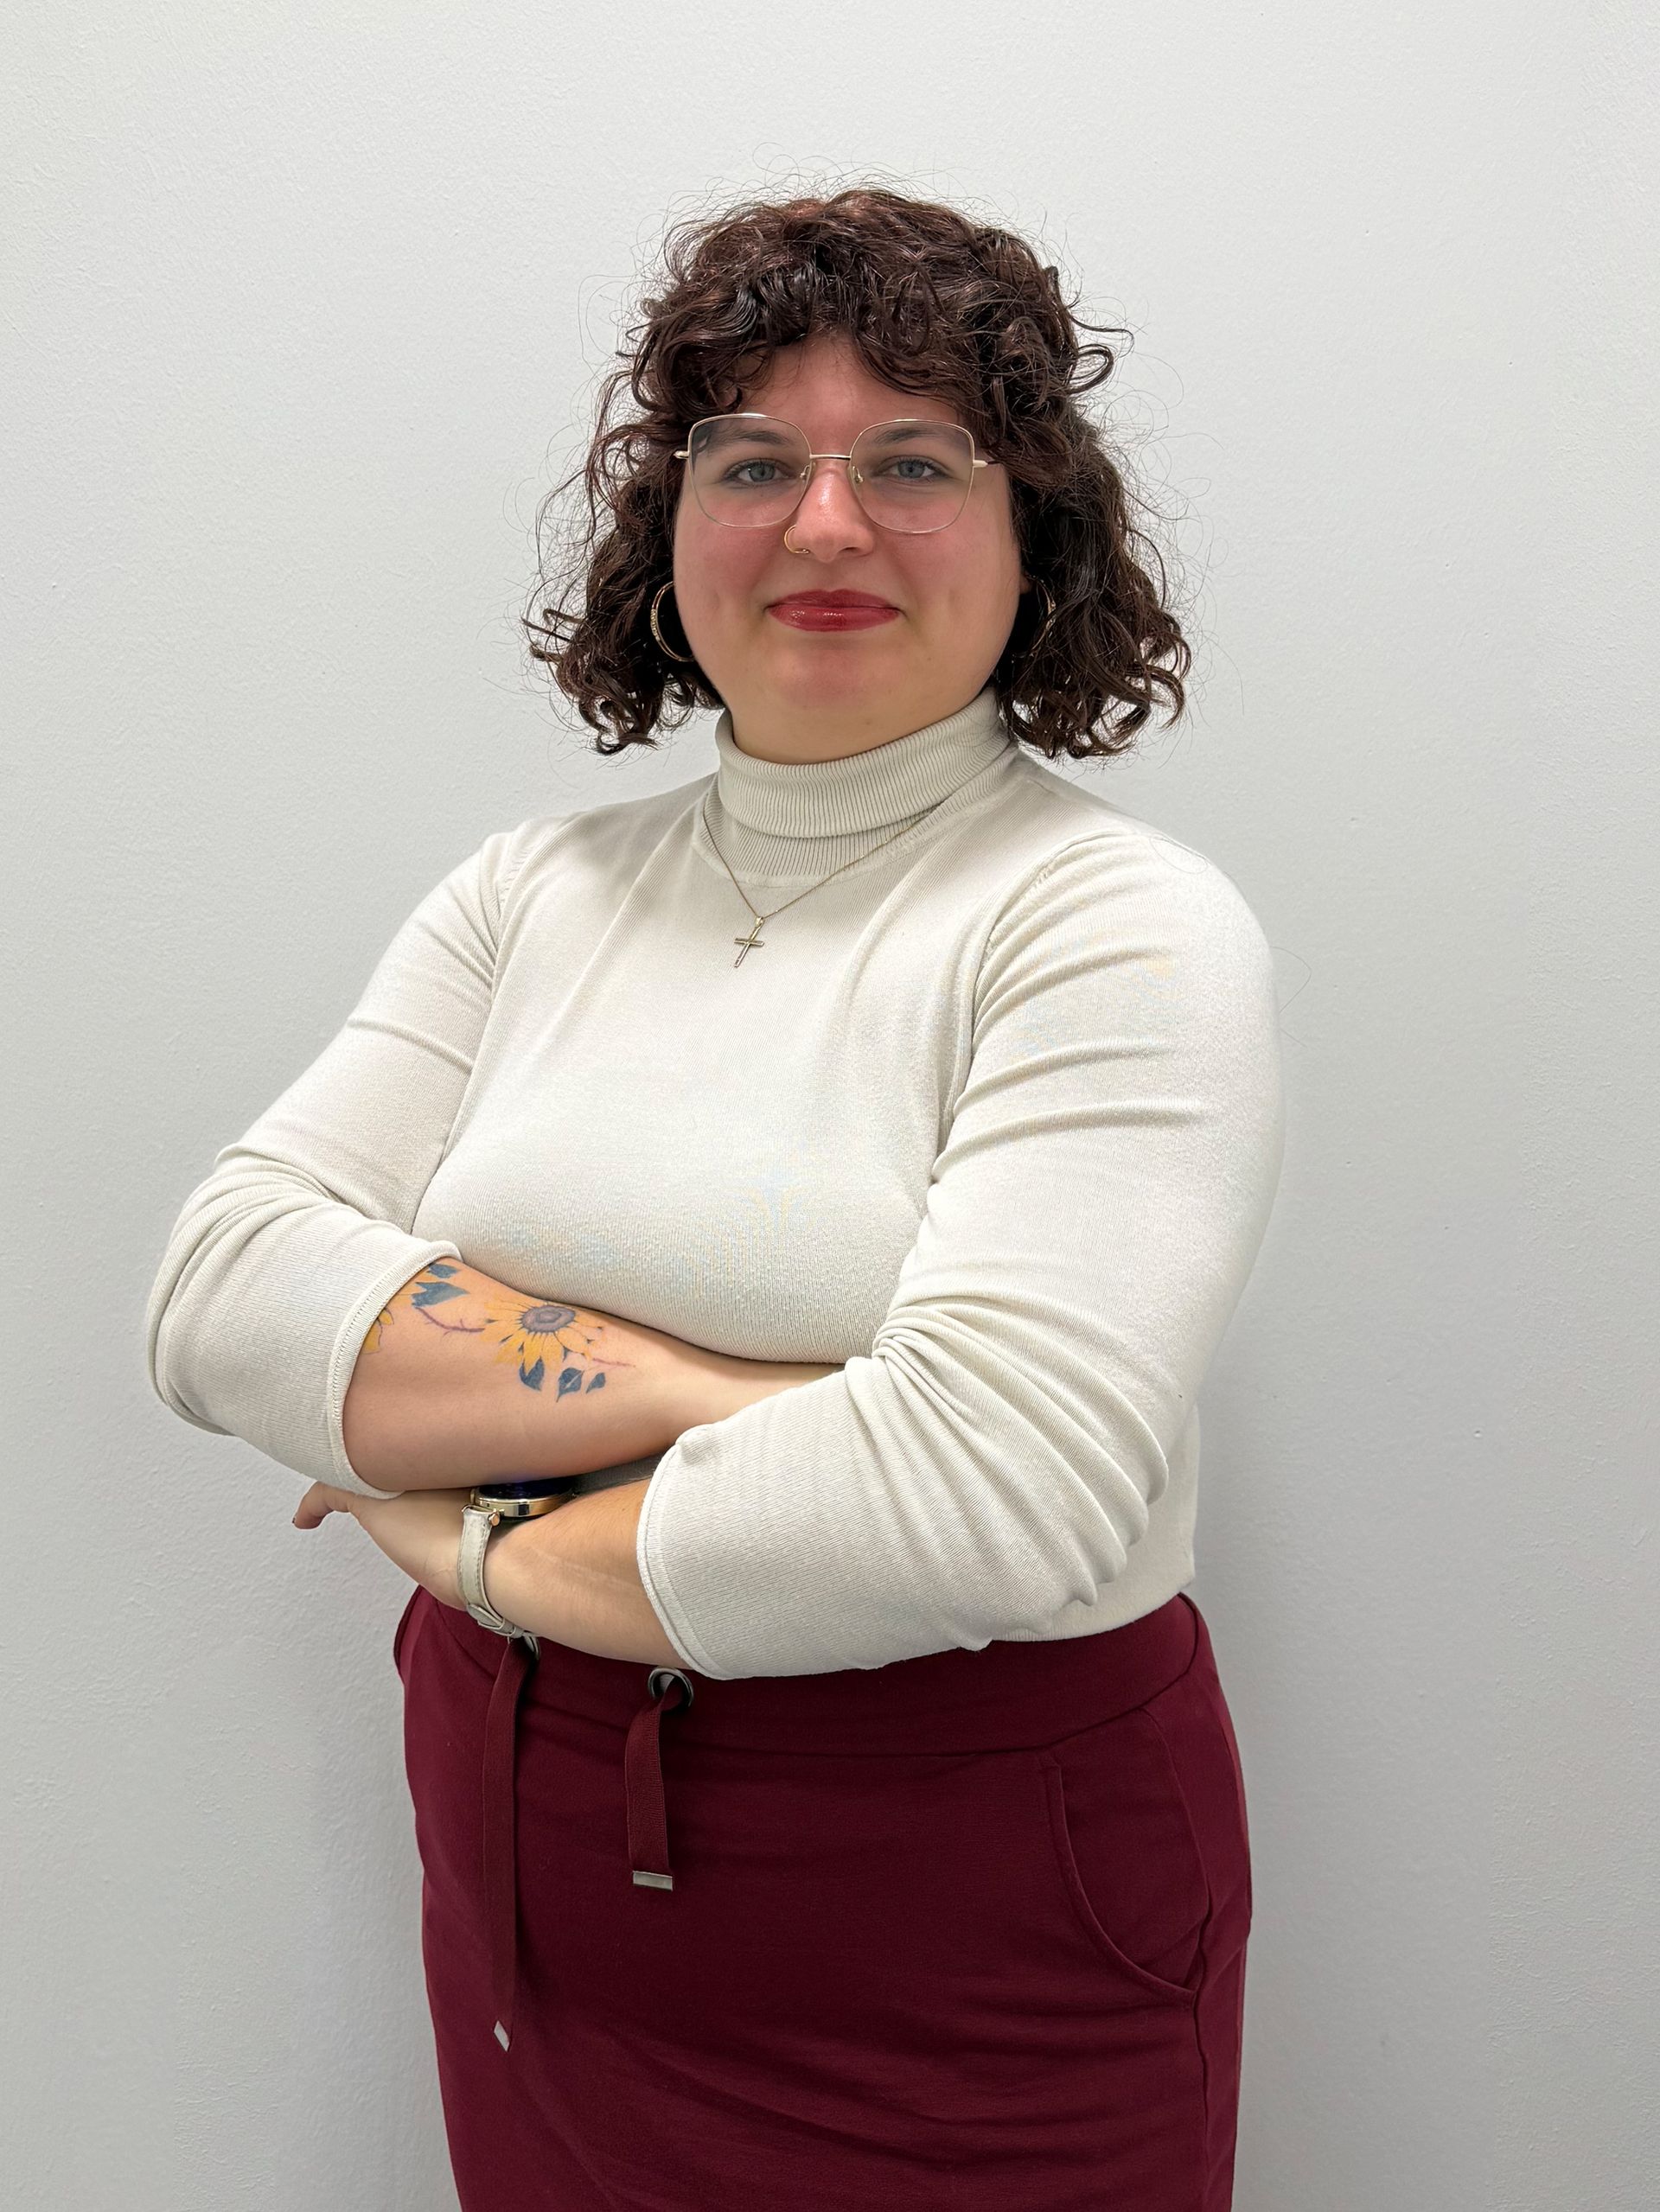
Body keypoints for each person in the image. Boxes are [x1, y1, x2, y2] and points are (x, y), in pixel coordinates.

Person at [144, 185, 1286, 2211]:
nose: (825, 524)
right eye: (754, 461)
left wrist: (449, 1528)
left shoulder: (1112, 923)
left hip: (966, 1913)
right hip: (522, 1856)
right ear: (668, 531)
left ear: (1035, 535)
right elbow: (222, 1292)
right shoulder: (531, 892)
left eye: (913, 462)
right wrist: (742, 1401)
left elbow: (989, 1499)